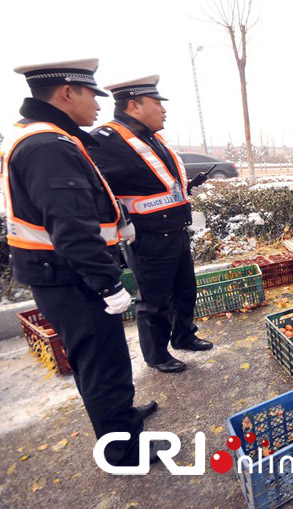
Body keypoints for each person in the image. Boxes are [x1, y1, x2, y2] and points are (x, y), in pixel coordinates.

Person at [1, 59, 162, 465]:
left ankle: (121, 419)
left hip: (64, 273)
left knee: (105, 360)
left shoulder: (48, 137)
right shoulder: (48, 146)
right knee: (103, 366)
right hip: (71, 277)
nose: (98, 105)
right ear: (67, 92)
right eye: (92, 95)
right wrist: (107, 282)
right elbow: (71, 227)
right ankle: (123, 451)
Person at [88, 76, 212, 374]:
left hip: (175, 229)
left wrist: (184, 190)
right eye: (157, 103)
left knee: (184, 290)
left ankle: (183, 335)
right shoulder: (104, 140)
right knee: (154, 300)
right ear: (134, 105)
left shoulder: (151, 137)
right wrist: (121, 222)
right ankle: (156, 354)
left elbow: (154, 183)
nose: (163, 110)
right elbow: (97, 191)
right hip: (147, 236)